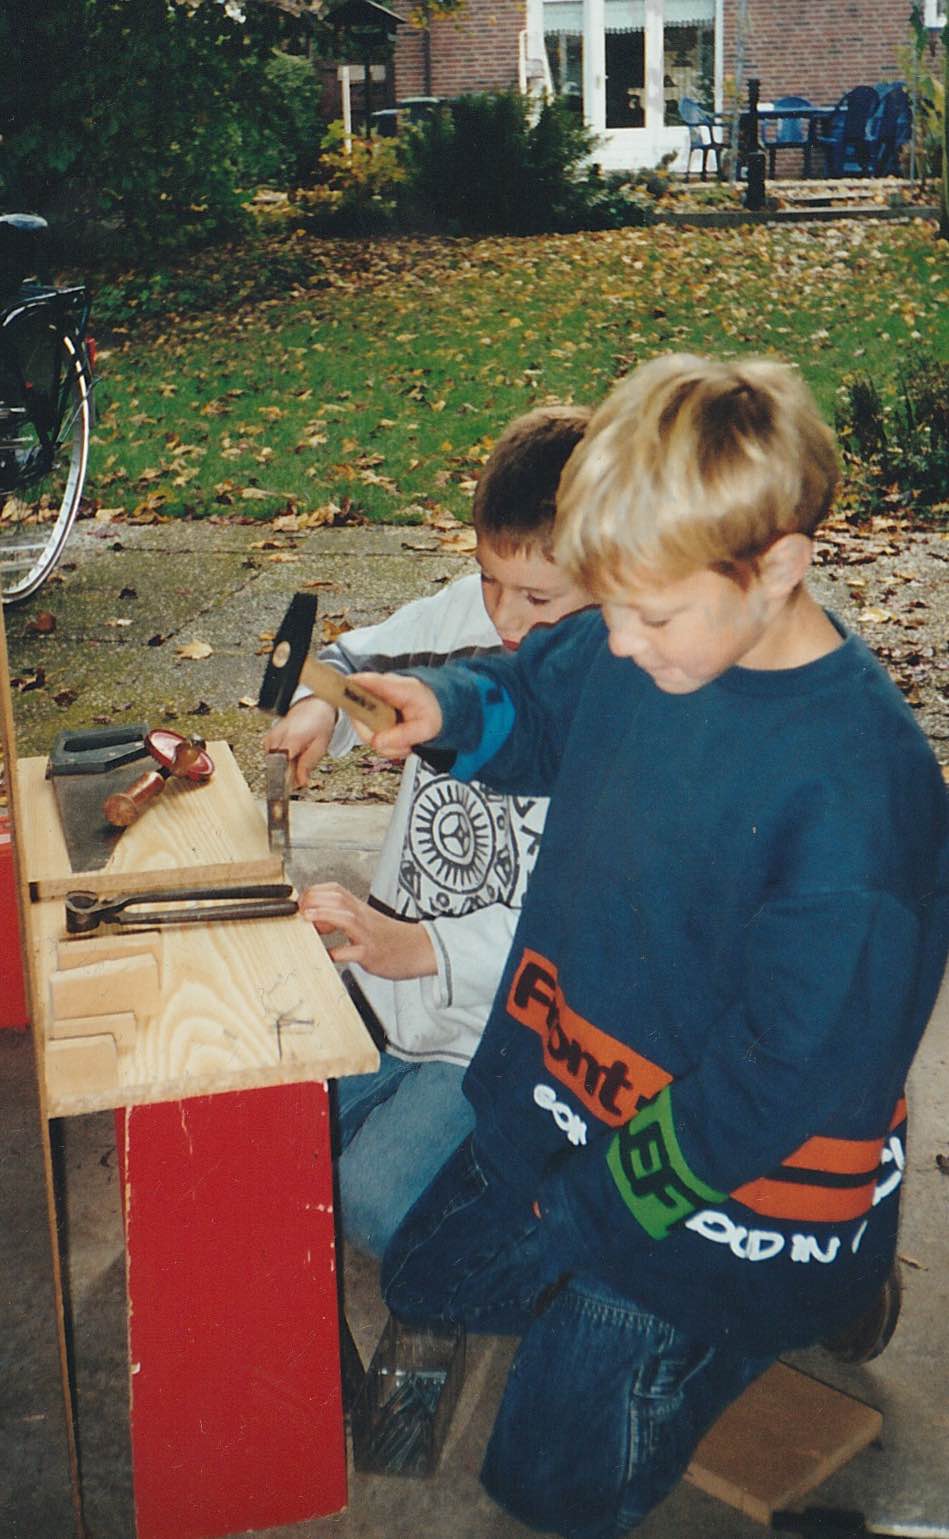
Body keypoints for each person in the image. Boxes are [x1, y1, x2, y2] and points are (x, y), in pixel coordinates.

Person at [341, 354, 949, 1539]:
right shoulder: (649, 640)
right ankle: (708, 1300)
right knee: (426, 1277)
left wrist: (591, 1212)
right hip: (570, 1087)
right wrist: (451, 706)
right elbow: (543, 688)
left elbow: (776, 1087)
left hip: (725, 1196)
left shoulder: (859, 806)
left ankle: (791, 1300)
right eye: (607, 606)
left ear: (779, 566)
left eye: (650, 615)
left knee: (547, 1486)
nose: (616, 644)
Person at [264, 404, 592, 1257]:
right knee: (271, 1132)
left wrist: (423, 948)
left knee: (372, 1205)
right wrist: (320, 709)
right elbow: (353, 663)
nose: (505, 619)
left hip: (503, 1036)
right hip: (388, 990)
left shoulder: (612, 701)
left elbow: (581, 931)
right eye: (489, 578)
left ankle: (564, 1215)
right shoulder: (459, 619)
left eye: (538, 597)